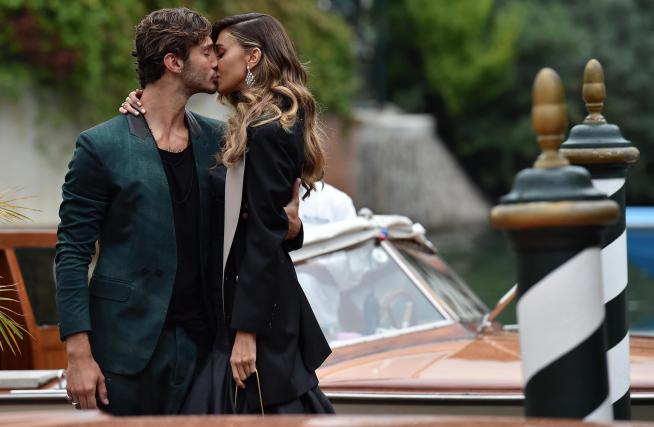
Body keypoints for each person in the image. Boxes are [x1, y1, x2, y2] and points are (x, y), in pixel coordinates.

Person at [55, 8, 302, 416]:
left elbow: (253, 227)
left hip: (207, 347)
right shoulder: (100, 146)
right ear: (173, 62)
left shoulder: (224, 140)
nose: (216, 61)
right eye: (208, 52)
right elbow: (71, 252)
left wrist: (291, 227)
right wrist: (78, 352)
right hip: (124, 349)